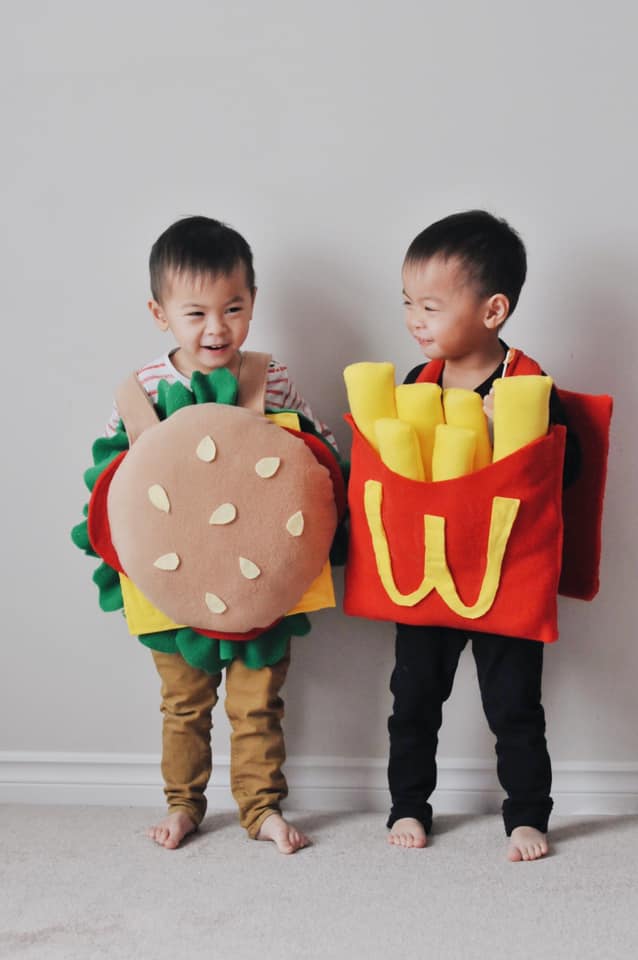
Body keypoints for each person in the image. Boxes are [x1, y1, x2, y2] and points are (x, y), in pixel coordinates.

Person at [106, 215, 336, 853]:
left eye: (233, 308)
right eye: (196, 313)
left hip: (262, 576)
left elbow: (315, 461)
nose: (217, 328)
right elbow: (116, 487)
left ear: (253, 302)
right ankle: (183, 805)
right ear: (160, 313)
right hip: (168, 581)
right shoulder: (143, 391)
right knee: (184, 703)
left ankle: (262, 809)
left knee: (257, 700)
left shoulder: (271, 377)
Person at [388, 210, 578, 861]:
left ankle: (528, 814)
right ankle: (409, 804)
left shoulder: (527, 385)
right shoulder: (417, 383)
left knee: (514, 705)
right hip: (430, 569)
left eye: (432, 306)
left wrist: (516, 433)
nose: (416, 319)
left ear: (492, 309)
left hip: (504, 573)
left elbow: (567, 469)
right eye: (409, 303)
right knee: (412, 697)